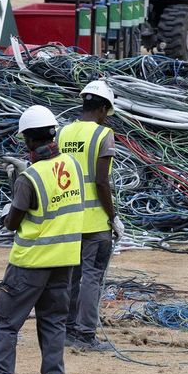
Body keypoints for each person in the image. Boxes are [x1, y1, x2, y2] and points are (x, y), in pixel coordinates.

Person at [0, 105, 86, 374]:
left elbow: (13, 222)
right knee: (53, 324)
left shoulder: (29, 178)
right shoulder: (72, 165)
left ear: (29, 140)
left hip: (30, 263)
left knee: (6, 324)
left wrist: (15, 190)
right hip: (65, 262)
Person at [58, 79, 124, 352]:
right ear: (104, 110)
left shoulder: (63, 133)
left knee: (71, 277)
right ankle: (86, 334)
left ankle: (69, 330)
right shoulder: (102, 135)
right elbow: (101, 182)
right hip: (95, 221)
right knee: (92, 277)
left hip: (68, 217)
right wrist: (113, 217)